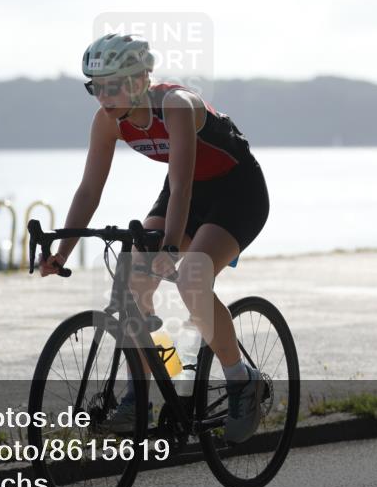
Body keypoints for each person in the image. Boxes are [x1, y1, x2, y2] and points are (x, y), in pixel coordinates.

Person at [38, 33, 270, 443]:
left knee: (191, 278)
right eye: (96, 87)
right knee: (131, 277)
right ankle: (139, 396)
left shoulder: (175, 106)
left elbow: (181, 188)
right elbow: (89, 191)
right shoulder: (108, 120)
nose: (104, 97)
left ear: (140, 80)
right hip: (187, 193)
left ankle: (241, 380)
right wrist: (62, 251)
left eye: (113, 86)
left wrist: (169, 249)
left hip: (237, 193)